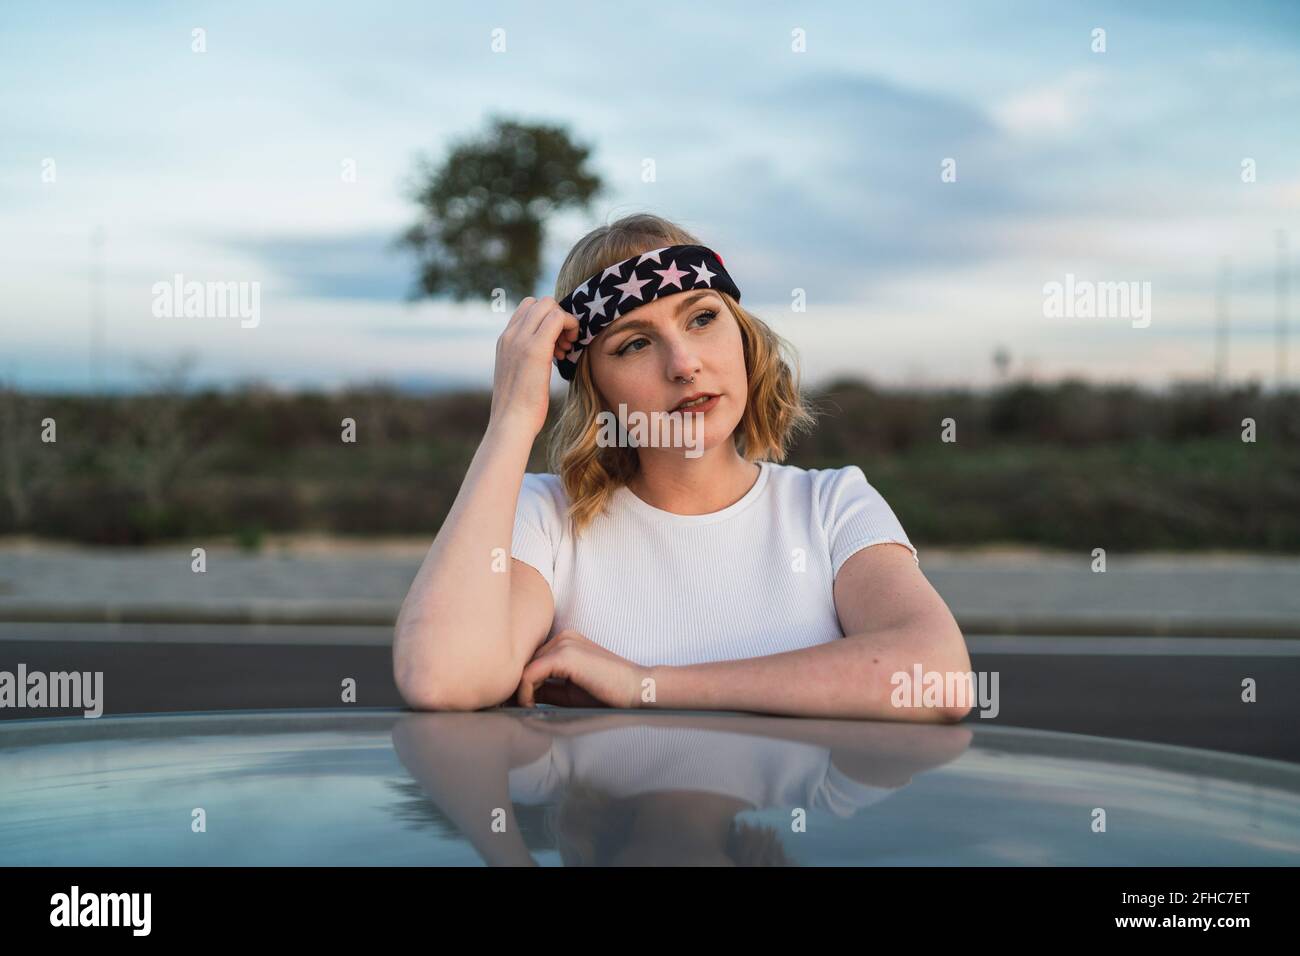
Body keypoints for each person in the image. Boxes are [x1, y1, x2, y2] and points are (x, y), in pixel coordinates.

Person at [393, 212, 970, 719]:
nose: (684, 364)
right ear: (596, 389)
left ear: (743, 338)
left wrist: (646, 685)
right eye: (634, 344)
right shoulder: (547, 516)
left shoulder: (832, 506)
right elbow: (441, 678)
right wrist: (513, 419)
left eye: (701, 319)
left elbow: (937, 680)